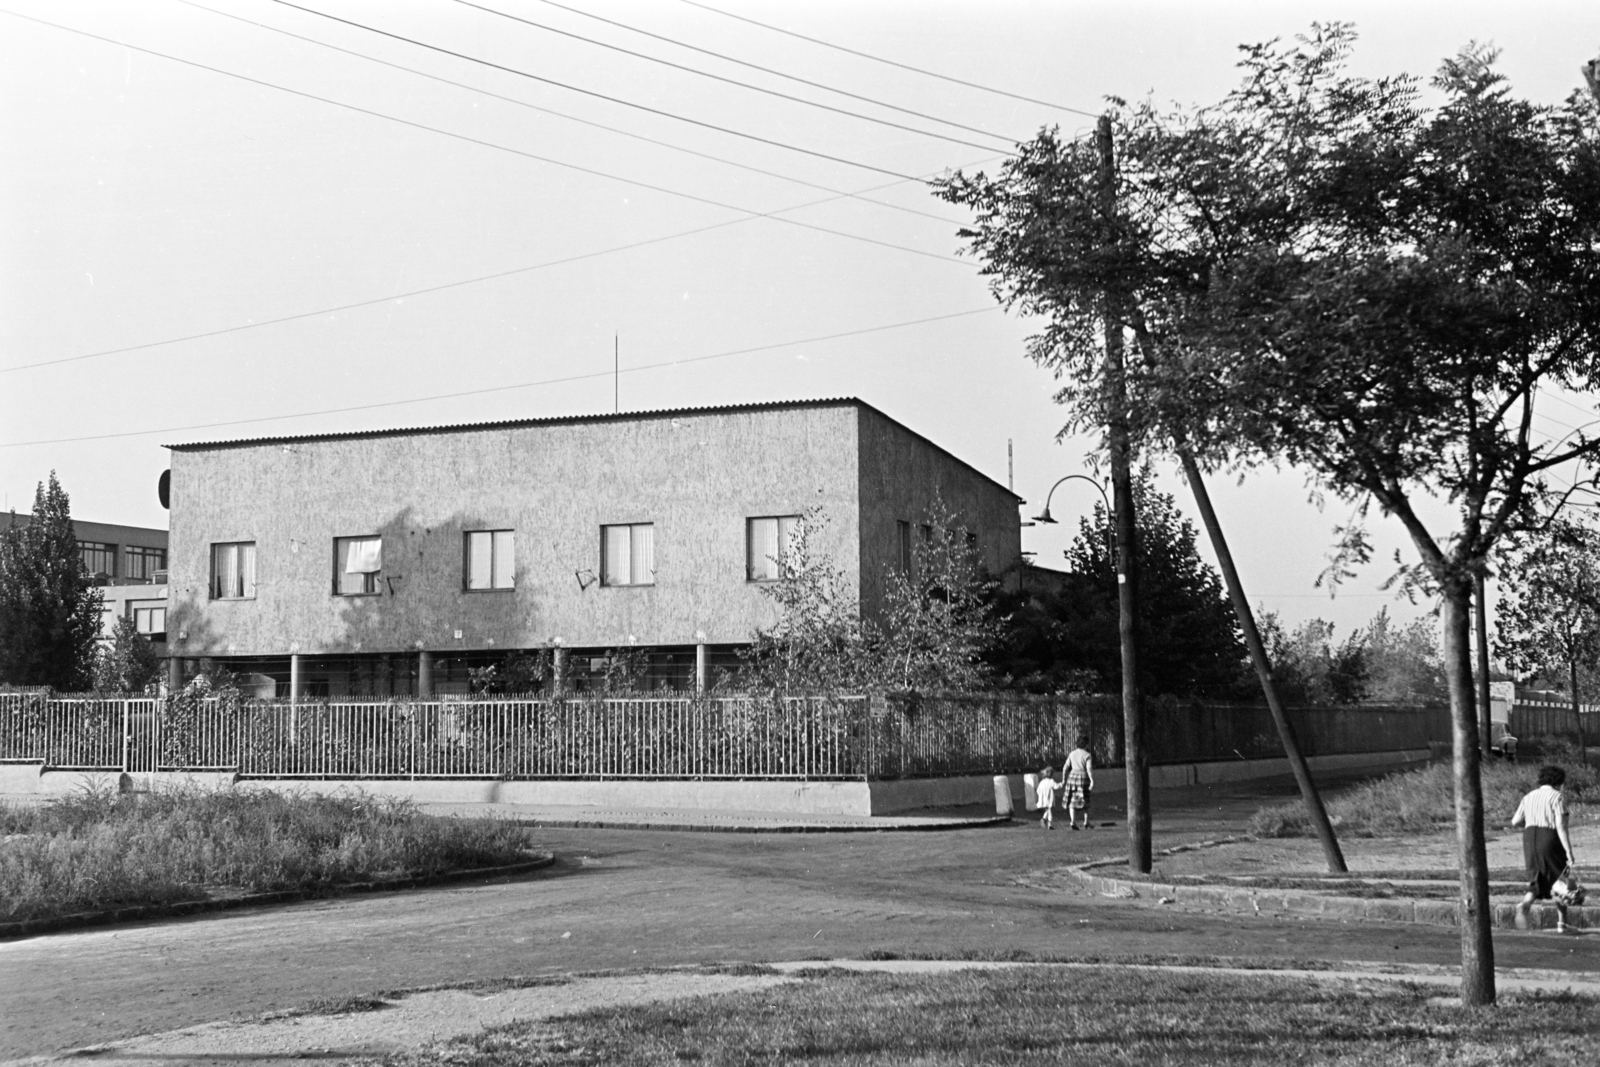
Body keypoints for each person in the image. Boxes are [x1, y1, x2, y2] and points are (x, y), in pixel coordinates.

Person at [1511, 765, 1578, 932]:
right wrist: (1569, 850)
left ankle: (1525, 904)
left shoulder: (1529, 796)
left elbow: (1515, 821)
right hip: (1549, 837)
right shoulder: (1557, 797)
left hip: (1529, 837)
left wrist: (1531, 824)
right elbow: (1561, 825)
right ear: (1559, 781)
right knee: (1561, 877)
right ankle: (1562, 923)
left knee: (1537, 876)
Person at [1062, 735, 1095, 831]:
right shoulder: (1087, 755)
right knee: (1086, 799)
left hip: (1072, 778)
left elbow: (1065, 767)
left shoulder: (1072, 754)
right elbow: (1088, 769)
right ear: (1086, 744)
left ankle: (1073, 821)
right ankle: (1086, 821)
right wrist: (1092, 780)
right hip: (1083, 778)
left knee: (1072, 800)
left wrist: (1064, 779)